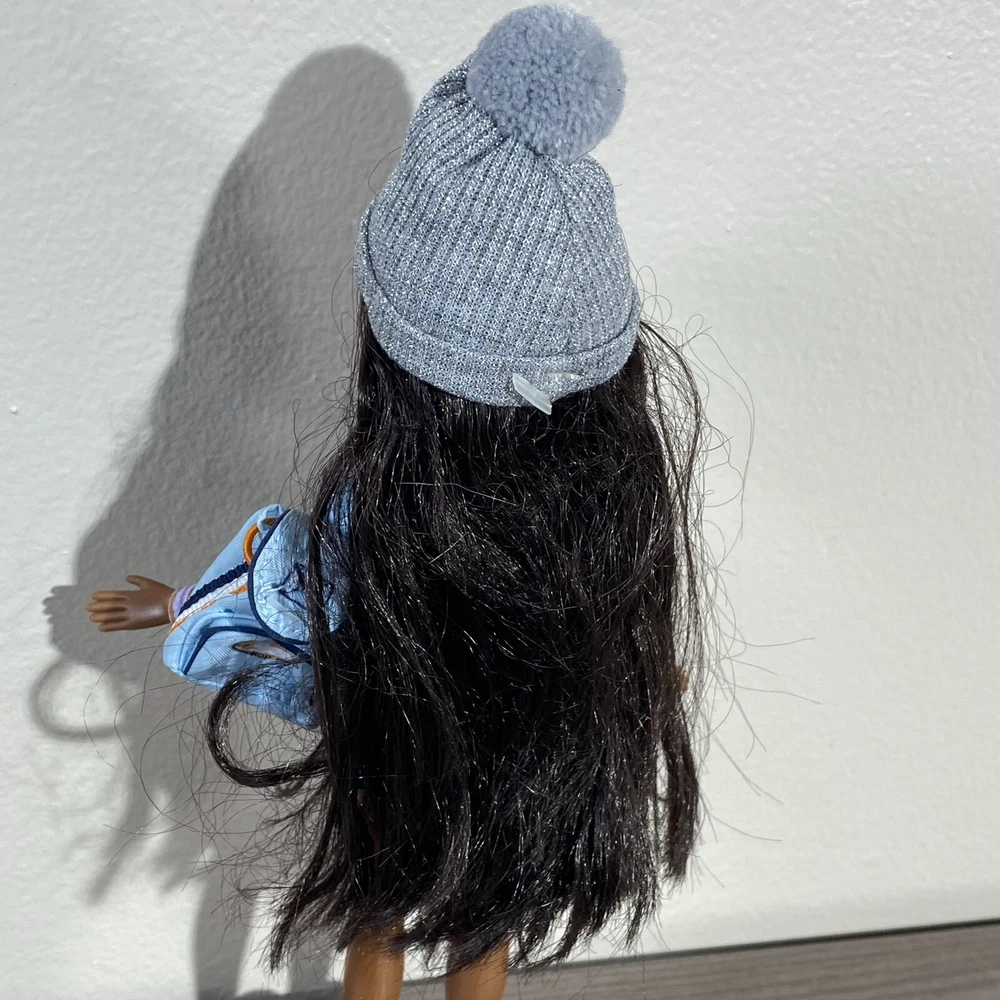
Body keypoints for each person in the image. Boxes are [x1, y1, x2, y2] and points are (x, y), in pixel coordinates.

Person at [87, 6, 709, 998]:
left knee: (395, 902)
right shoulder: (575, 528)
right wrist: (643, 678)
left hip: (417, 748)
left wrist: (177, 605)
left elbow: (283, 591)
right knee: (459, 909)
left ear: (393, 366)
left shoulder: (396, 525)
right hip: (434, 746)